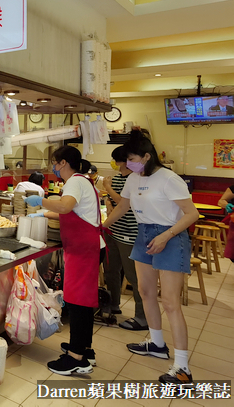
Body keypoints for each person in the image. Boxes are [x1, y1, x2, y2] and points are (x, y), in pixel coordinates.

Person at [102, 131, 199, 384]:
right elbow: (123, 207)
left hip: (171, 236)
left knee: (170, 303)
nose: (129, 164)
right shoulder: (134, 178)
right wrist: (101, 227)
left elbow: (192, 214)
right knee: (145, 292)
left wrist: (166, 236)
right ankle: (156, 344)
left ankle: (182, 368)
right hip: (144, 233)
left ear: (147, 156)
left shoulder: (169, 179)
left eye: (132, 158)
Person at [24, 146, 102, 376]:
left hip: (83, 250)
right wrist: (43, 214)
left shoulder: (75, 182)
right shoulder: (82, 181)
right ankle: (85, 350)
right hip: (86, 247)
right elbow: (71, 212)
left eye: (55, 163)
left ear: (64, 163)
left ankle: (76, 358)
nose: (54, 167)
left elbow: (65, 206)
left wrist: (42, 201)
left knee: (78, 302)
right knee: (83, 302)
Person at [103, 146, 148, 331]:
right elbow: (114, 202)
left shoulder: (135, 179)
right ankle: (113, 304)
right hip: (113, 230)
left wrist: (107, 188)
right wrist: (107, 198)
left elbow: (124, 204)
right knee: (111, 270)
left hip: (130, 234)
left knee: (134, 276)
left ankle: (142, 317)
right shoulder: (119, 178)